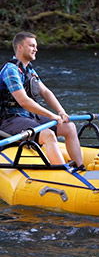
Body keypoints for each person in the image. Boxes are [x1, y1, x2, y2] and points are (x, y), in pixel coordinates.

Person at [0, 32, 84, 168]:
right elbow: (24, 101)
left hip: (28, 116)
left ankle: (81, 168)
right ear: (20, 47)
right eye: (32, 46)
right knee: (48, 134)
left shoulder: (29, 70)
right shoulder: (11, 70)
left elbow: (45, 92)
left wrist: (60, 111)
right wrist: (51, 115)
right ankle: (62, 174)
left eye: (36, 46)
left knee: (69, 127)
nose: (36, 49)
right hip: (9, 120)